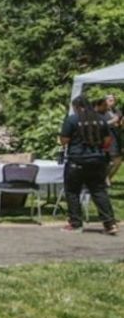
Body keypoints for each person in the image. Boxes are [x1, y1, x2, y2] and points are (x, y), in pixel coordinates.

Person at [62, 95, 118, 234]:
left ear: (76, 107)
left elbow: (64, 140)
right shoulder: (101, 119)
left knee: (73, 191)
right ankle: (110, 223)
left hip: (77, 160)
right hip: (97, 160)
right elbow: (107, 141)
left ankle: (75, 223)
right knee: (99, 191)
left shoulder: (72, 119)